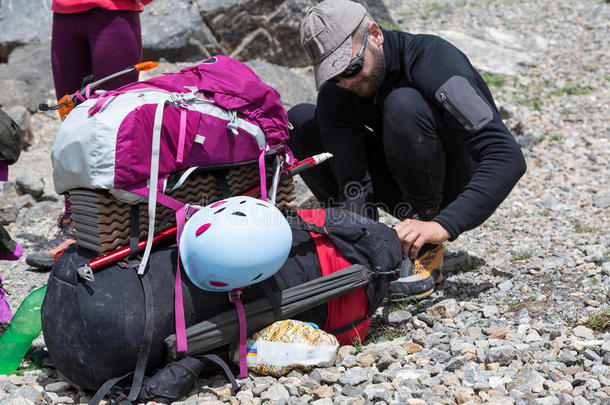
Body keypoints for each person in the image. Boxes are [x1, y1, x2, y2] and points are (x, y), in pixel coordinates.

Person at [290, 0, 526, 300]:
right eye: (335, 74)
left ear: (375, 34)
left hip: (450, 185)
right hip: (400, 175)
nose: (347, 82)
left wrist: (441, 225)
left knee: (403, 104)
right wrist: (359, 244)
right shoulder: (342, 88)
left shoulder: (436, 63)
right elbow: (353, 182)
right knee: (300, 120)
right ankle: (354, 242)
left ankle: (424, 244)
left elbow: (506, 156)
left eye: (351, 67)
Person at [26, 0, 152, 269]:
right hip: (65, 14)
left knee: (114, 123)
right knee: (71, 125)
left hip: (114, 12)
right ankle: (74, 226)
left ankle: (116, 227)